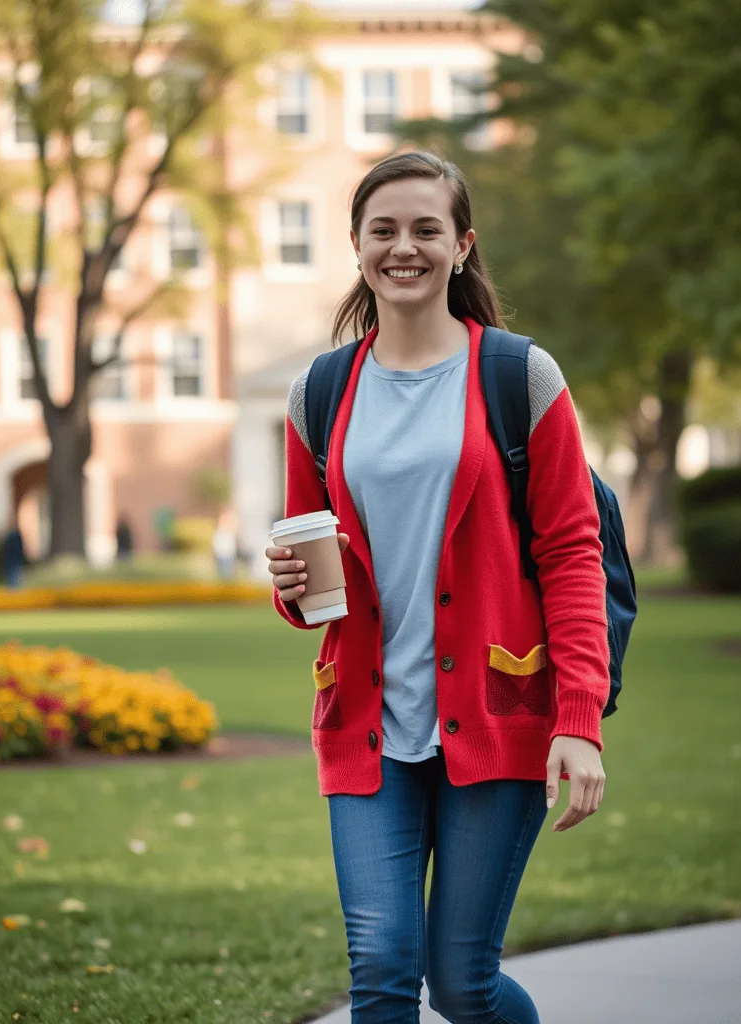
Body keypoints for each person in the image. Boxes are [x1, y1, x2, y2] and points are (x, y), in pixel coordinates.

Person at [265, 151, 609, 1024]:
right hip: (368, 724)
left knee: (463, 985)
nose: (403, 248)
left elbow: (572, 553)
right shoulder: (321, 391)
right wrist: (292, 585)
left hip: (496, 711)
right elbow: (313, 587)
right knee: (380, 969)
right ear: (356, 245)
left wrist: (578, 722)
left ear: (462, 245)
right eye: (384, 230)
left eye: (426, 229)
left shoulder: (519, 377)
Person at [1, 512, 26, 589]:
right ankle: (13, 588)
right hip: (12, 558)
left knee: (15, 573)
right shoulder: (11, 534)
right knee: (12, 573)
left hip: (15, 558)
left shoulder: (14, 535)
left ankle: (14, 588)